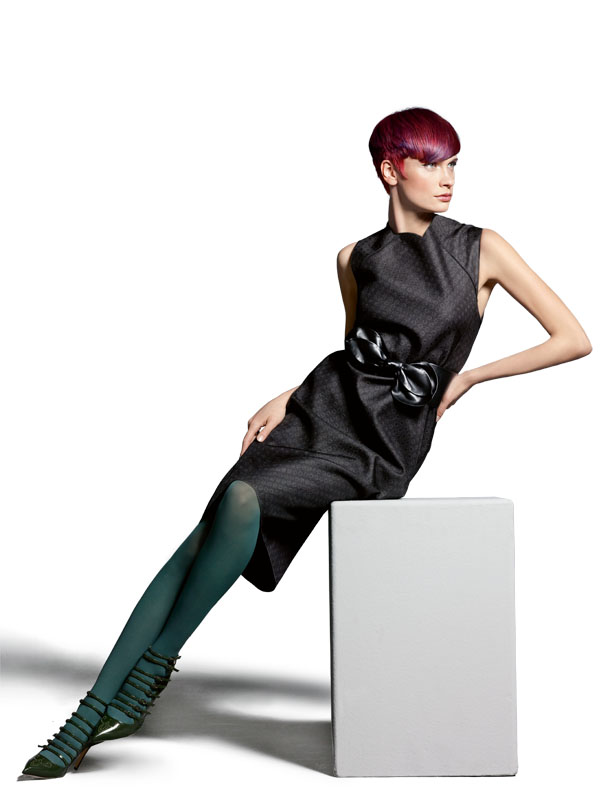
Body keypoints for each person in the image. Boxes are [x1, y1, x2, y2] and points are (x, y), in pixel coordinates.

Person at [21, 106, 592, 778]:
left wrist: (466, 377)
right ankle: (98, 707)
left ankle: (136, 684)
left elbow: (573, 338)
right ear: (390, 171)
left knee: (238, 503)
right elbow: (354, 353)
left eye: (454, 164)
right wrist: (290, 396)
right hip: (324, 411)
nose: (448, 178)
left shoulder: (481, 247)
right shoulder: (354, 258)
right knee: (221, 513)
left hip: (383, 443)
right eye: (432, 163)